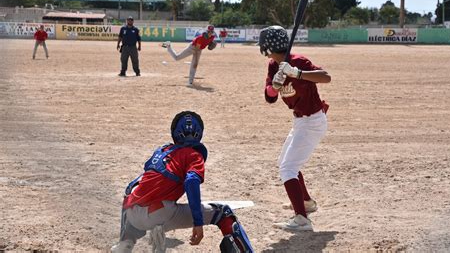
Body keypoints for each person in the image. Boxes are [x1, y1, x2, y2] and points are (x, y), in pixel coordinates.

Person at [111, 111, 253, 253]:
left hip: (132, 215)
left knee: (133, 189)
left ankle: (124, 244)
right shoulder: (194, 155)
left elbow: (133, 186)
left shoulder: (162, 150)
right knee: (224, 213)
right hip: (159, 213)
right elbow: (191, 181)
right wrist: (198, 223)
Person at [257, 26, 331, 231]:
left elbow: (326, 77)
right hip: (300, 122)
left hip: (313, 121)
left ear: (267, 46)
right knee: (285, 163)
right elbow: (269, 98)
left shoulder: (298, 61)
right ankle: (306, 202)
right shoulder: (273, 65)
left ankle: (301, 218)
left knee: (287, 168)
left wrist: (298, 73)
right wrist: (275, 85)